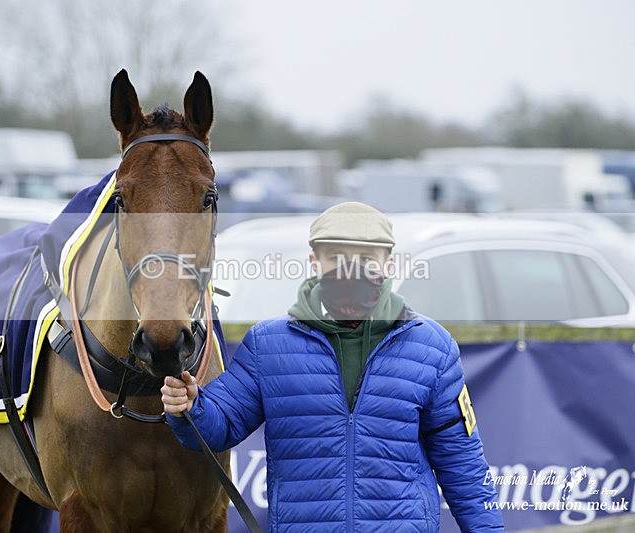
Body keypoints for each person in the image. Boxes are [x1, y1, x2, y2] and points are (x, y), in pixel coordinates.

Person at [162, 202, 504, 532]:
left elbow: (463, 465)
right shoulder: (268, 344)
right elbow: (218, 425)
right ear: (314, 262)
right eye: (337, 259)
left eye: (367, 259)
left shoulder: (432, 346)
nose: (351, 270)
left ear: (389, 265)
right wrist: (189, 408)